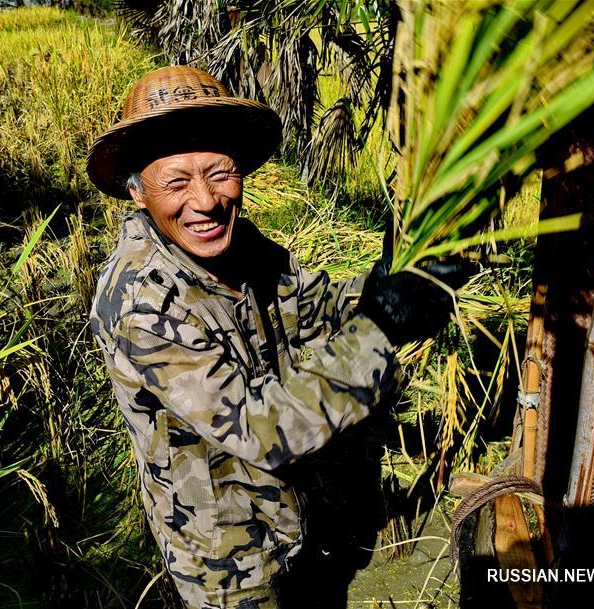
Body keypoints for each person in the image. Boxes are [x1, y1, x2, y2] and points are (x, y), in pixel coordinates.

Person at [86, 65, 472, 609]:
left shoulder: (237, 243)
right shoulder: (142, 301)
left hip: (293, 512)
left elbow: (313, 305)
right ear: (137, 192)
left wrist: (397, 282)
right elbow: (260, 426)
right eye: (176, 182)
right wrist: (383, 326)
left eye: (220, 173)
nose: (205, 201)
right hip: (226, 556)